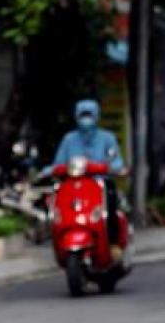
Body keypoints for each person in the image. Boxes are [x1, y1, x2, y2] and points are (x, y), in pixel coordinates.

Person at [51, 99, 127, 259]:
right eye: (83, 115)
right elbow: (58, 163)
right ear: (76, 116)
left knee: (111, 206)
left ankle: (113, 244)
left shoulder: (107, 138)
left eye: (89, 115)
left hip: (99, 185)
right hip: (74, 186)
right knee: (57, 208)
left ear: (97, 116)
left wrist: (112, 167)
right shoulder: (69, 139)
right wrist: (51, 170)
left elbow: (117, 161)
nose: (86, 119)